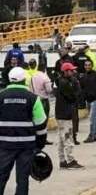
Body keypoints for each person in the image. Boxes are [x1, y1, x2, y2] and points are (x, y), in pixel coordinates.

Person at [0, 67, 48, 195]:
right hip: (26, 146)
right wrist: (40, 144)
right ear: (24, 80)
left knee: (1, 176)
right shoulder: (33, 98)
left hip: (4, 145)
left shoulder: (1, 96)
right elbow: (41, 124)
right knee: (22, 179)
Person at [54, 63, 82, 169]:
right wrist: (77, 86)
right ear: (65, 71)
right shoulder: (64, 83)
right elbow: (73, 97)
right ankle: (70, 160)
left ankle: (62, 160)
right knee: (67, 137)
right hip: (65, 114)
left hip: (60, 113)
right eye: (71, 70)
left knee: (61, 139)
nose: (73, 72)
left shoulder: (60, 81)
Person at [79, 59, 96, 143]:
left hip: (95, 99)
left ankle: (91, 136)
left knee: (92, 117)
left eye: (89, 65)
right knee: (93, 117)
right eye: (86, 65)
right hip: (88, 100)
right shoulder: (83, 76)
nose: (87, 66)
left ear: (92, 66)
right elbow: (82, 88)